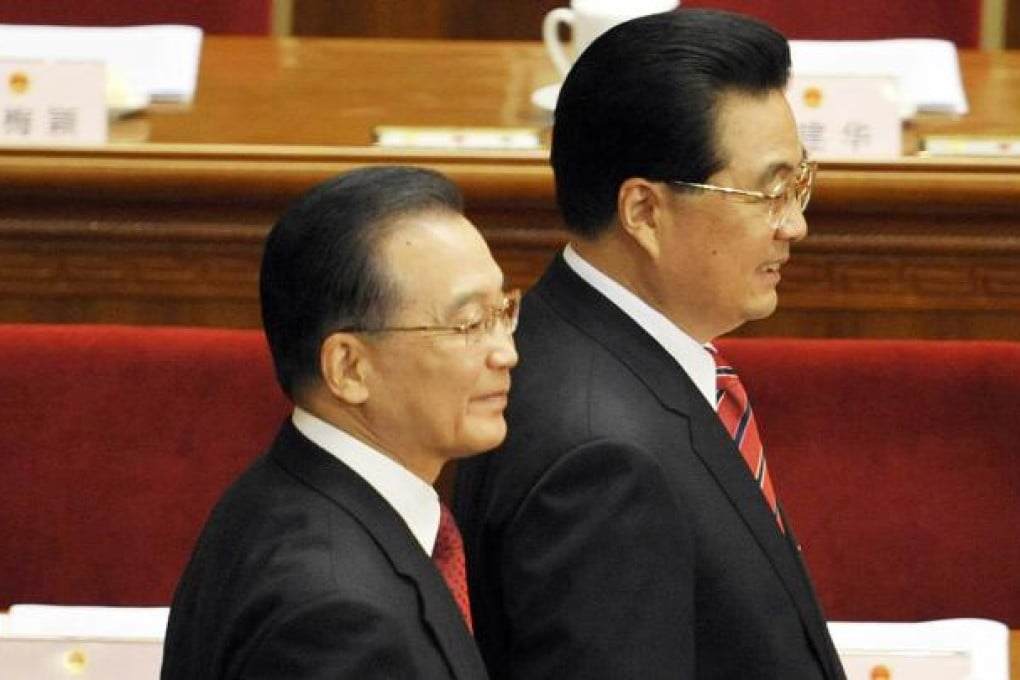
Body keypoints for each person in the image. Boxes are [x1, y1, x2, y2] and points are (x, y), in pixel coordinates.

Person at [454, 9, 846, 680]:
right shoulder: (600, 462)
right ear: (643, 212)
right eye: (769, 191)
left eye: (798, 184)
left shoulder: (568, 339)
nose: (796, 224)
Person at [161, 166, 518, 679]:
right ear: (349, 367)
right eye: (468, 325)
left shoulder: (283, 488)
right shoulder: (336, 616)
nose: (505, 352)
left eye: (503, 312)